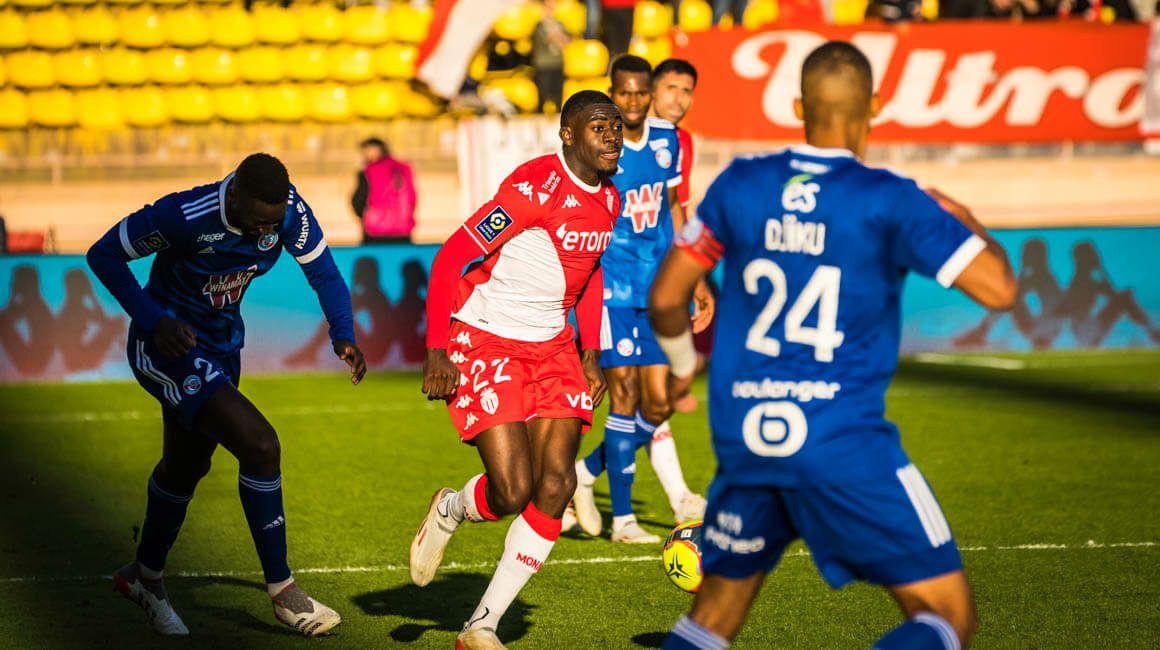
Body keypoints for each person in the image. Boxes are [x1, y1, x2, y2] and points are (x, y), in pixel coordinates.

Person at [650, 41, 1017, 649]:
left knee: (710, 619)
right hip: (838, 441)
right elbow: (1000, 288)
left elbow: (667, 296)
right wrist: (965, 218)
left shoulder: (740, 183)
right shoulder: (891, 198)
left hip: (748, 437)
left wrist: (683, 367)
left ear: (798, 107)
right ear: (876, 105)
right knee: (946, 615)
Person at [86, 153, 367, 637]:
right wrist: (156, 321)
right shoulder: (183, 215)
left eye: (273, 222)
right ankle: (283, 592)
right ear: (233, 193)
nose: (266, 231)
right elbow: (103, 254)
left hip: (222, 349)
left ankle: (143, 577)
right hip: (168, 348)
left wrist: (343, 332)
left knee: (186, 467)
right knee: (261, 445)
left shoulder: (289, 211)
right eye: (258, 220)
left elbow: (324, 273)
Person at [408, 89, 623, 650]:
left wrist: (591, 353)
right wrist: (436, 349)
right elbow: (451, 256)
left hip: (554, 348)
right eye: (598, 125)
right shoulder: (534, 187)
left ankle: (481, 627)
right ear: (568, 134)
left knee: (557, 483)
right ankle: (451, 507)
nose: (612, 135)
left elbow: (591, 270)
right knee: (510, 491)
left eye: (617, 126)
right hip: (487, 340)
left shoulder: (610, 197)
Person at [570, 55, 713, 545]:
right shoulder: (600, 145)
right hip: (612, 287)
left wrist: (692, 276)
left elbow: (674, 206)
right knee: (625, 395)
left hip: (657, 286)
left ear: (648, 95)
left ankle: (585, 472)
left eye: (639, 93)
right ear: (612, 93)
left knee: (659, 402)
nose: (631, 102)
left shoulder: (668, 140)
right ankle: (625, 521)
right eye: (623, 93)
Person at [351, 137, 418, 244]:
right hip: (402, 229)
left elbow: (359, 199)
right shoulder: (404, 168)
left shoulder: (368, 171)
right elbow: (412, 198)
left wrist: (362, 216)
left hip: (375, 230)